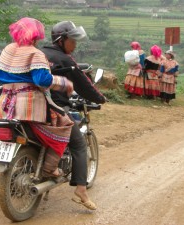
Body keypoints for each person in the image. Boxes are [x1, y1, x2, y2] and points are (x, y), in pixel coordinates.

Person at [0, 17, 75, 178]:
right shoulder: (35, 53)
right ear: (36, 36)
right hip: (29, 109)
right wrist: (64, 83)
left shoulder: (8, 50)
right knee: (63, 127)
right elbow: (42, 80)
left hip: (6, 105)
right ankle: (49, 169)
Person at [41, 21, 106, 210]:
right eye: (72, 40)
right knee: (78, 145)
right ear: (62, 40)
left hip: (33, 107)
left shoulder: (40, 53)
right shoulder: (66, 60)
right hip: (56, 109)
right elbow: (83, 85)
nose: (75, 44)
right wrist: (100, 98)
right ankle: (81, 191)